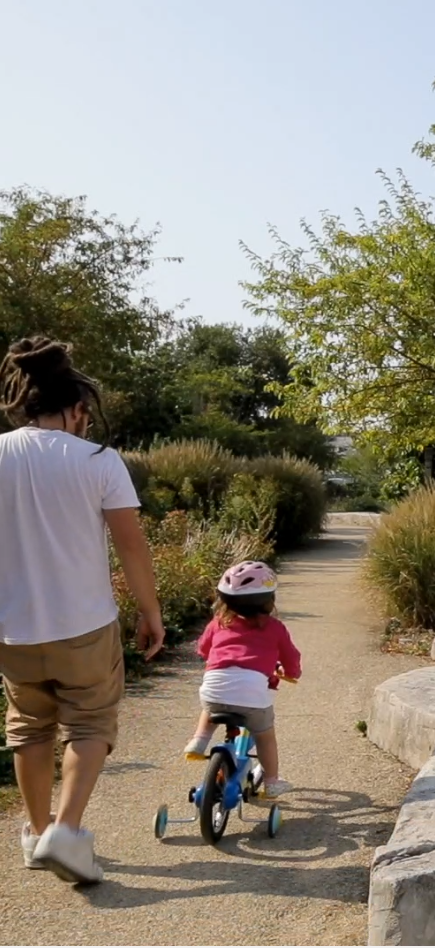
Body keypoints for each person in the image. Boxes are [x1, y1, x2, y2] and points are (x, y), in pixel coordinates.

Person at [0, 336, 165, 885]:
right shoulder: (99, 461)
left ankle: (36, 832)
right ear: (75, 409)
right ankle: (66, 834)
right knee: (89, 722)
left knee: (29, 728)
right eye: (85, 416)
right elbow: (131, 546)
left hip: (12, 629)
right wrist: (150, 612)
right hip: (84, 624)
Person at [182, 561, 301, 798]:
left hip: (214, 686)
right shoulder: (275, 628)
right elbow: (291, 658)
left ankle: (199, 740)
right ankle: (272, 781)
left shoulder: (218, 622)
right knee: (265, 735)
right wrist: (291, 673)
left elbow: (203, 649)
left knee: (212, 704)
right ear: (269, 600)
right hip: (252, 695)